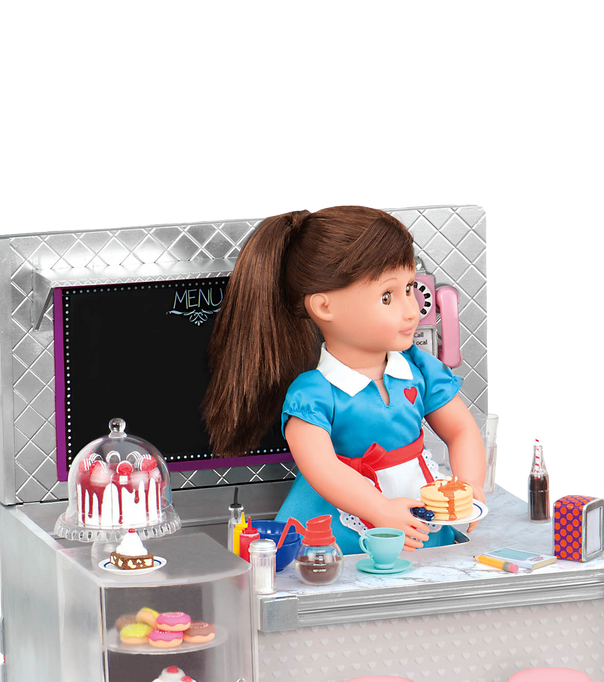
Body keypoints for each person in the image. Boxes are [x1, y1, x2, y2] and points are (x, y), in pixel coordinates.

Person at [202, 204, 485, 555]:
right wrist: (379, 509)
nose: (412, 310)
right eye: (387, 296)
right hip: (342, 532)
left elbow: (461, 429)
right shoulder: (314, 394)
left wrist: (469, 486)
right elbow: (322, 469)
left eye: (409, 288)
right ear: (325, 307)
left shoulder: (419, 368)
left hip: (419, 514)